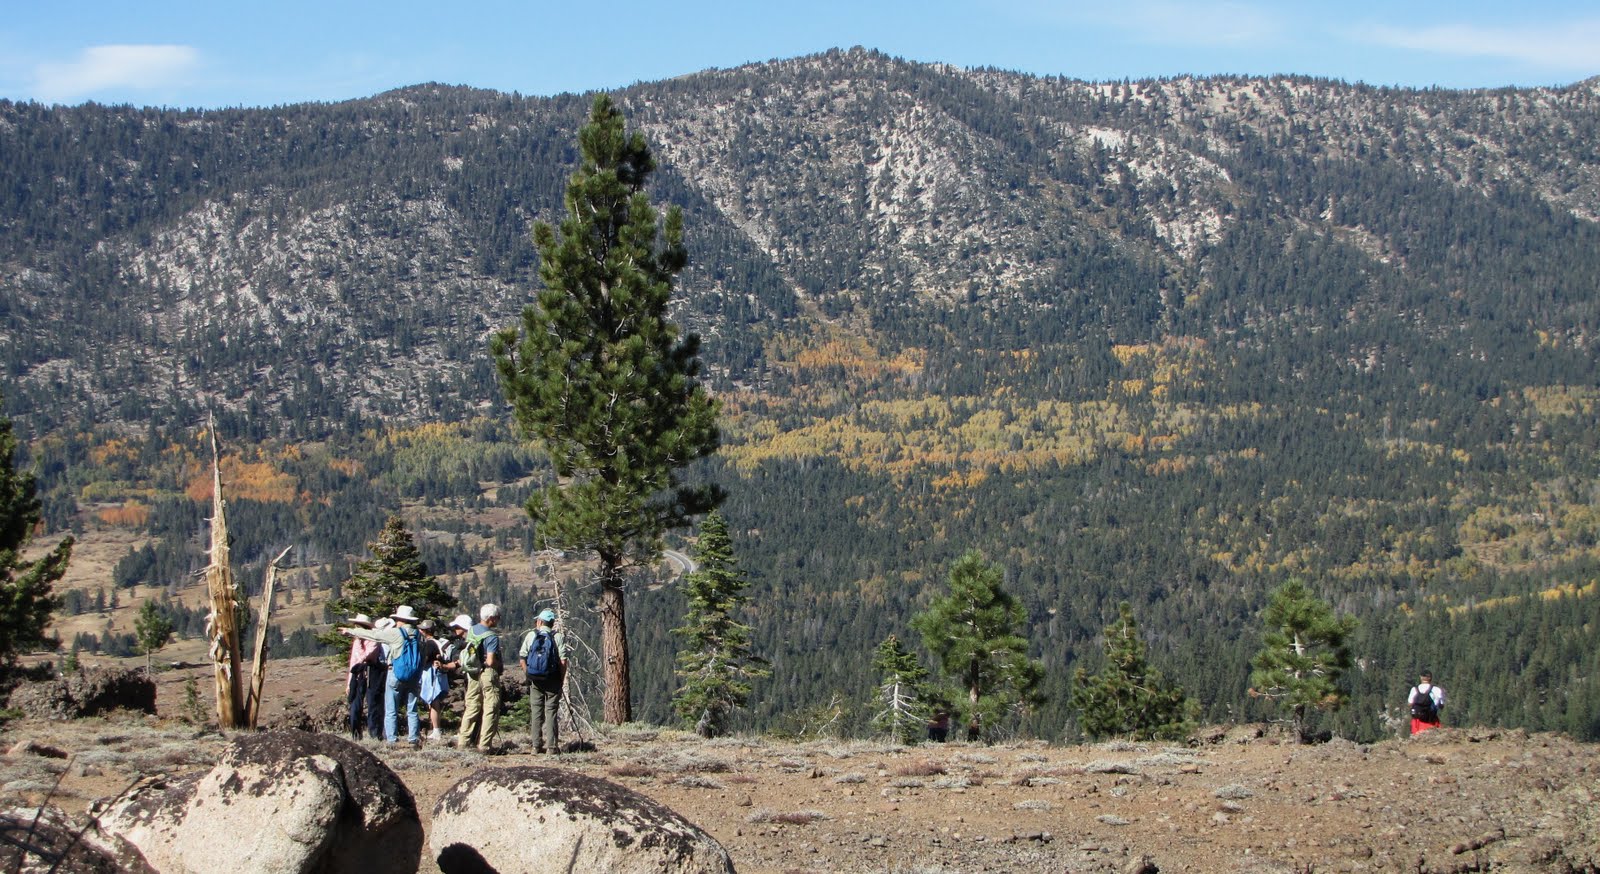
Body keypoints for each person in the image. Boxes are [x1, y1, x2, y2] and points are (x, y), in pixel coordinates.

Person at [340, 605, 426, 745]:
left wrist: (349, 631)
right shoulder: (420, 636)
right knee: (412, 708)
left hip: (395, 673)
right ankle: (413, 738)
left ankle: (392, 739)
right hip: (414, 675)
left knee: (391, 708)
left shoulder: (396, 633)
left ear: (401, 620)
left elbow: (374, 635)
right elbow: (423, 657)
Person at [455, 604, 503, 753]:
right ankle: (484, 745)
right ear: (490, 619)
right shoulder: (491, 637)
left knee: (472, 706)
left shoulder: (472, 631)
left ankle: (463, 741)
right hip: (488, 673)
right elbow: (490, 660)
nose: (498, 620)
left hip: (473, 672)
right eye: (496, 618)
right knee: (491, 707)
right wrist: (498, 665)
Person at [519, 608, 566, 754]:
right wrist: (561, 679)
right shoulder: (557, 637)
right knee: (551, 712)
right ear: (552, 623)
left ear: (539, 621)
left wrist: (529, 674)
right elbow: (563, 661)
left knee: (536, 712)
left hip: (535, 680)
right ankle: (551, 747)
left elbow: (522, 657)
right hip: (552, 679)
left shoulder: (531, 635)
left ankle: (535, 746)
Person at [344, 614, 381, 740]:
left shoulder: (374, 641)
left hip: (370, 674)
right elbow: (353, 663)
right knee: (355, 705)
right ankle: (355, 734)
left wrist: (359, 642)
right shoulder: (356, 641)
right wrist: (349, 682)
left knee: (372, 705)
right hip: (357, 676)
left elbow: (364, 657)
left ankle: (374, 734)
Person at [418, 619, 447, 742]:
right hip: (437, 673)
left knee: (433, 701)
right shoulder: (437, 642)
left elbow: (425, 659)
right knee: (433, 702)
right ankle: (435, 729)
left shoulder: (429, 644)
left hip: (430, 673)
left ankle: (436, 730)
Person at [1408, 671, 1445, 735]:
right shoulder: (1437, 690)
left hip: (1418, 720)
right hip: (1431, 720)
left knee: (1417, 737)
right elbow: (1441, 705)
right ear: (1430, 678)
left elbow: (1410, 703)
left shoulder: (1414, 689)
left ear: (1421, 677)